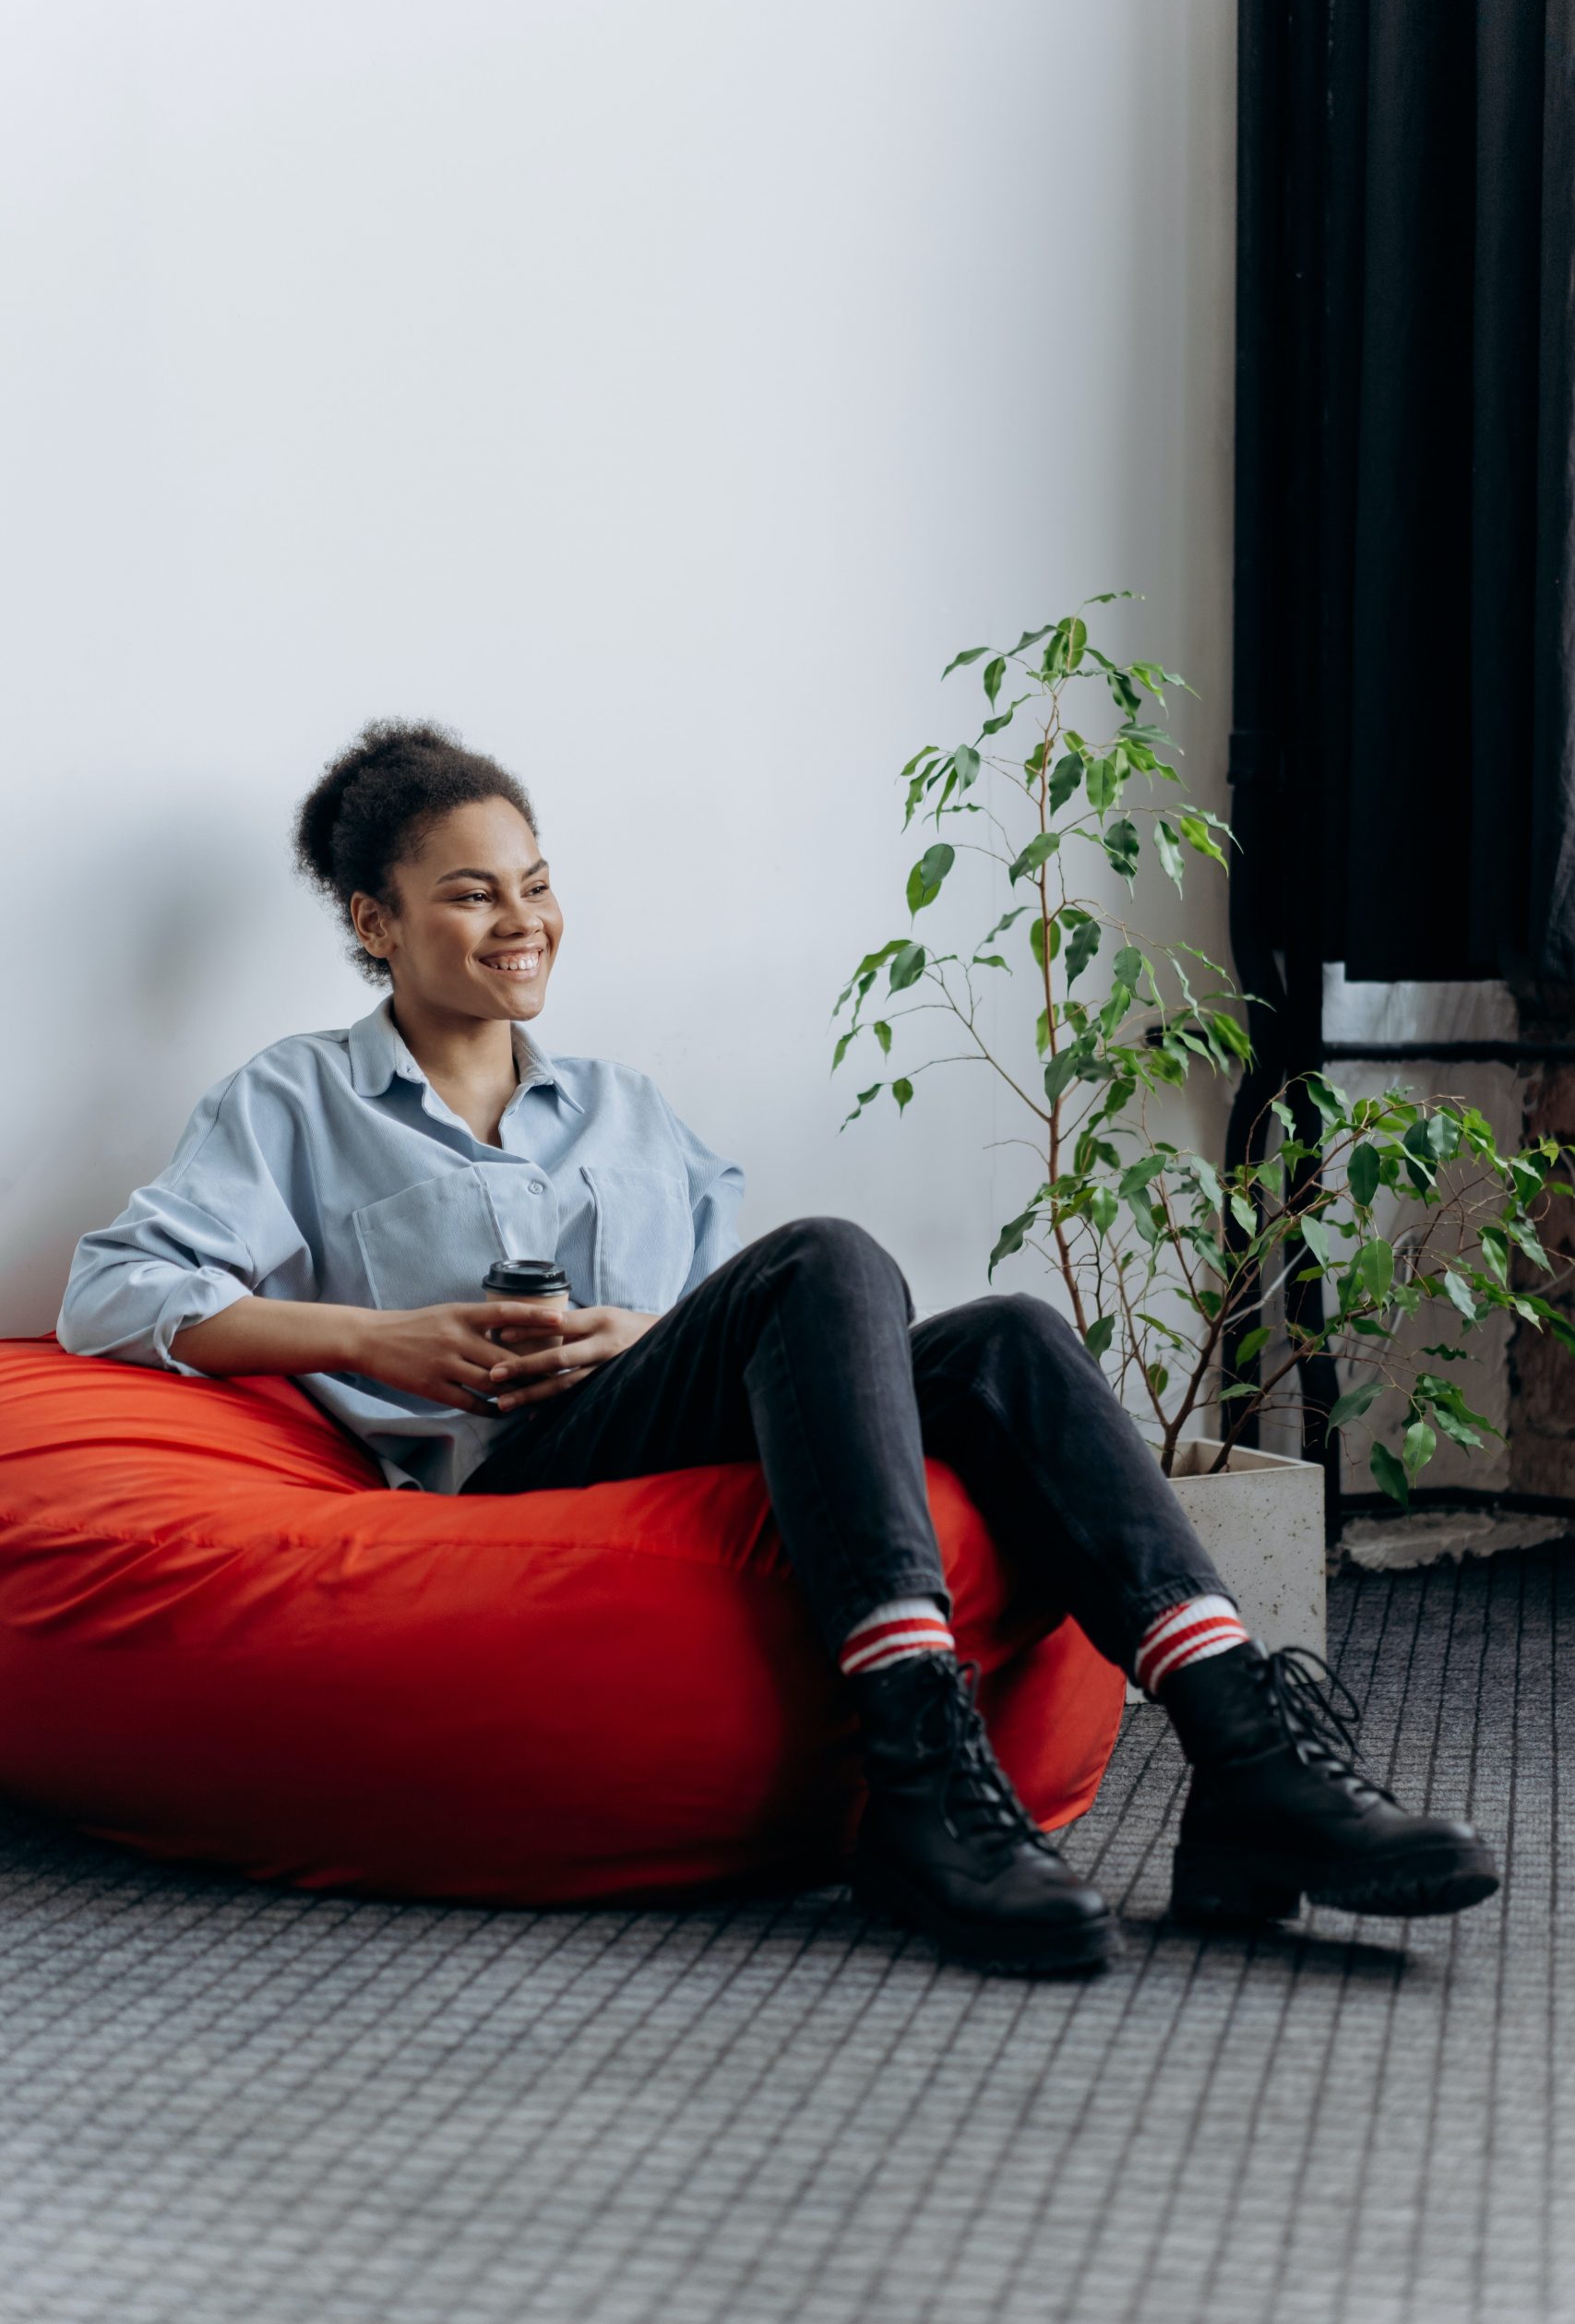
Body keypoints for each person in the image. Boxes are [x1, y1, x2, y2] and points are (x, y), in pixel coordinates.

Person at [58, 721, 1500, 1974]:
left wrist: (648, 1333)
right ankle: (920, 1765)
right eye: (471, 894)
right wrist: (392, 1343)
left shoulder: (627, 1106)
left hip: (653, 1423)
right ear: (376, 922)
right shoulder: (299, 1099)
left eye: (540, 882)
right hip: (506, 1486)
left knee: (1003, 1335)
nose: (524, 919)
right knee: (830, 1256)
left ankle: (1247, 1752)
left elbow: (755, 1329)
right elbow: (114, 1294)